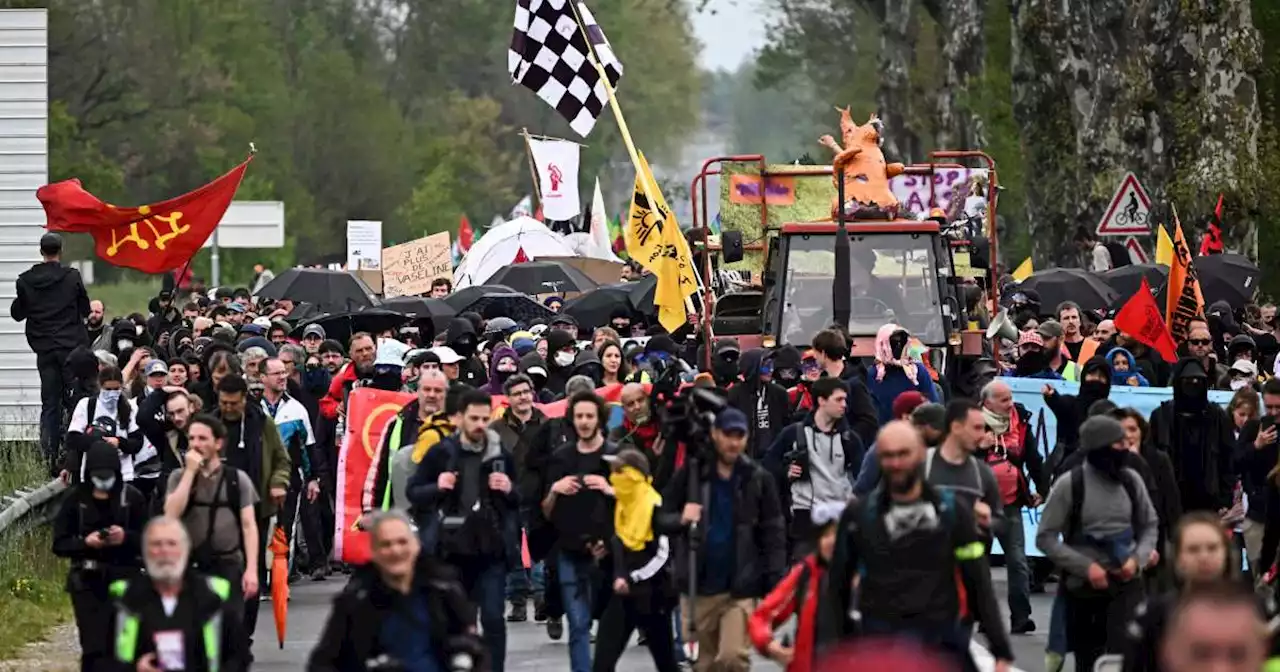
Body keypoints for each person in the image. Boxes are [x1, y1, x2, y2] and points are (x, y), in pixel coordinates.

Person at [816, 421, 1014, 671]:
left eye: (903, 454)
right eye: (888, 456)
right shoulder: (859, 516)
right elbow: (837, 587)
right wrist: (831, 651)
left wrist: (1000, 648)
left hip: (941, 643)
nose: (896, 463)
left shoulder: (952, 512)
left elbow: (977, 579)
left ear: (920, 453)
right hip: (881, 644)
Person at [663, 406, 787, 672]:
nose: (733, 442)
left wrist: (773, 579)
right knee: (704, 664)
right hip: (698, 586)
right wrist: (681, 519)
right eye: (728, 434)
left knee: (733, 658)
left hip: (739, 588)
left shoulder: (757, 478)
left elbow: (773, 531)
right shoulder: (693, 473)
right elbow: (661, 516)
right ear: (716, 435)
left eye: (739, 435)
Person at [1035, 415, 1159, 671]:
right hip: (1084, 590)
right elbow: (1045, 537)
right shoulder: (1070, 485)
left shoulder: (1132, 481)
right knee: (1090, 661)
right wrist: (1085, 567)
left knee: (1129, 658)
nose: (1124, 450)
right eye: (1117, 444)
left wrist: (1137, 559)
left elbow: (1149, 525)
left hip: (1127, 585)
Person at [408, 389, 520, 672]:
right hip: (452, 551)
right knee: (456, 620)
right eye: (474, 418)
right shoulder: (441, 453)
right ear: (459, 419)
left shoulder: (500, 454)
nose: (480, 424)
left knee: (494, 618)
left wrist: (508, 488)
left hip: (491, 549)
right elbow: (413, 492)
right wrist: (437, 486)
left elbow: (521, 497)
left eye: (485, 418)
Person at [308, 509, 484, 671]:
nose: (395, 550)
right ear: (374, 551)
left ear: (416, 546)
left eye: (402, 542)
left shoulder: (444, 591)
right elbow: (322, 663)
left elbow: (478, 654)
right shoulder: (355, 601)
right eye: (386, 544)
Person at [163, 414, 260, 654]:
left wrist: (251, 570)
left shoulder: (237, 480)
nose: (196, 444)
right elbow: (170, 514)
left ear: (218, 443)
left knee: (228, 633)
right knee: (193, 636)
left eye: (202, 438)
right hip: (191, 567)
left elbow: (249, 525)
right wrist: (189, 474)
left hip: (227, 564)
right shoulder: (178, 477)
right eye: (192, 438)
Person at [52, 440, 147, 670]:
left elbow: (148, 539)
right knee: (94, 646)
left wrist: (125, 537)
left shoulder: (131, 499)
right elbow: (59, 544)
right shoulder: (75, 501)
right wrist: (85, 542)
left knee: (124, 646)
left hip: (125, 578)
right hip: (87, 579)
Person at [541, 392, 619, 672]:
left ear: (599, 419)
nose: (584, 422)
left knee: (609, 628)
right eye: (579, 416)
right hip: (569, 551)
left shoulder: (615, 455)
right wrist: (554, 489)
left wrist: (612, 490)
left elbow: (637, 502)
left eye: (589, 416)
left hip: (607, 553)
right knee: (578, 625)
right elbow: (546, 511)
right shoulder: (561, 457)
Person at [108, 516, 248, 672]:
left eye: (171, 544)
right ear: (145, 550)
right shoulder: (124, 599)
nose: (164, 551)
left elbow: (239, 658)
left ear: (185, 549)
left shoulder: (213, 596)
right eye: (156, 544)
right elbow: (100, 660)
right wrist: (134, 669)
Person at [592, 448, 682, 672]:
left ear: (632, 475)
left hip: (653, 596)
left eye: (619, 471)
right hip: (622, 597)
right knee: (602, 663)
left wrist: (632, 577)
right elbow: (621, 542)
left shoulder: (654, 505)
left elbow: (663, 555)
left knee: (666, 663)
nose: (614, 477)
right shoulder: (622, 505)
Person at [13, 232, 90, 472]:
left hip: (44, 349)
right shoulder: (72, 277)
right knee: (74, 401)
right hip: (69, 348)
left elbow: (17, 313)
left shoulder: (26, 280)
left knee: (50, 403)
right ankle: (72, 455)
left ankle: (48, 457)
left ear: (41, 251)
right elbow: (85, 309)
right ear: (61, 250)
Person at [765, 377, 863, 560]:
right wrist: (786, 472)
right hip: (805, 515)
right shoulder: (793, 433)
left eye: (845, 400)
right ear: (821, 401)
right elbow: (768, 464)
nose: (845, 405)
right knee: (803, 574)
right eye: (839, 399)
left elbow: (863, 478)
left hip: (839, 514)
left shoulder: (849, 438)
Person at [977, 380, 1046, 634]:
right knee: (979, 564)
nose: (1010, 404)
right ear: (987, 402)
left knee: (1017, 561)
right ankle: (985, 617)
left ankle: (1021, 617)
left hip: (1011, 503)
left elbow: (1033, 458)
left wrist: (1043, 488)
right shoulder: (973, 424)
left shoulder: (1021, 421)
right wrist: (977, 447)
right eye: (1003, 400)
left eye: (1010, 398)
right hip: (979, 507)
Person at [748, 501, 844, 672]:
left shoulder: (870, 575)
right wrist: (769, 645)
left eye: (838, 534)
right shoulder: (805, 574)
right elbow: (762, 616)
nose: (832, 541)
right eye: (826, 535)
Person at [490, 373, 547, 623]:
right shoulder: (497, 429)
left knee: (539, 552)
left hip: (539, 498)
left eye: (526, 391)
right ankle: (517, 602)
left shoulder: (547, 424)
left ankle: (543, 598)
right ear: (508, 399)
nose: (523, 397)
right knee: (511, 553)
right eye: (517, 393)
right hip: (507, 499)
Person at [1149, 357, 1234, 513]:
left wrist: (1225, 499)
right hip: (1169, 502)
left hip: (1209, 501)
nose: (1194, 384)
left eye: (1198, 380)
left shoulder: (1217, 417)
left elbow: (1228, 459)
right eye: (1189, 380)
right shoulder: (1161, 417)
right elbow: (1151, 459)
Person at [1237, 378, 1280, 570]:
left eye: (1278, 407)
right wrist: (1256, 446)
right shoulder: (1253, 429)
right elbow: (1234, 463)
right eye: (1269, 407)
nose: (1274, 412)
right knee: (1260, 580)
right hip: (1258, 517)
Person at [810, 328, 879, 447]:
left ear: (823, 353)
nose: (814, 357)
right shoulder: (821, 382)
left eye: (815, 352)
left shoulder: (855, 383)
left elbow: (869, 420)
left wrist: (846, 439)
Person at [865, 324, 938, 423]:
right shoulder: (873, 374)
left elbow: (933, 405)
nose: (898, 347)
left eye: (901, 342)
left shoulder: (918, 372)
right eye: (894, 343)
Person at [611, 382, 676, 492]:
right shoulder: (619, 436)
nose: (637, 407)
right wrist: (652, 456)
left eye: (640, 400)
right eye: (630, 404)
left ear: (648, 400)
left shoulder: (666, 422)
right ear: (624, 409)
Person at [727, 348, 791, 460]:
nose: (770, 370)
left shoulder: (779, 393)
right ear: (752, 367)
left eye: (771, 365)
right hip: (745, 459)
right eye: (765, 366)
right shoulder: (735, 394)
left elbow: (786, 424)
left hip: (774, 459)